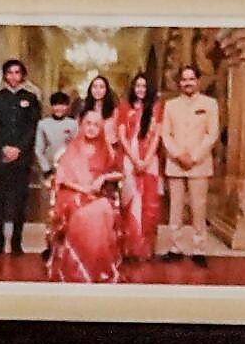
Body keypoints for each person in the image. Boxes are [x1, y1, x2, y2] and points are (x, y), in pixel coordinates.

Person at [45, 89, 128, 285]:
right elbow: (62, 178)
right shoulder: (72, 148)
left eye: (96, 125)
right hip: (73, 194)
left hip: (98, 194)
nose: (91, 128)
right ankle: (76, 267)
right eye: (88, 124)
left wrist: (103, 178)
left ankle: (99, 267)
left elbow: (120, 172)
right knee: (85, 214)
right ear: (82, 125)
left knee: (104, 209)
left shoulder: (107, 150)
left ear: (101, 128)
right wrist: (83, 190)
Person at [0, 58, 41, 267]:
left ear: (22, 75)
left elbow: (33, 127)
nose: (14, 76)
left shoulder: (30, 98)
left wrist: (19, 149)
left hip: (22, 158)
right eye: (10, 72)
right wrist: (3, 147)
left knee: (20, 201)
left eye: (17, 72)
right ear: (5, 75)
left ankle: (16, 242)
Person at [154, 64, 222, 259]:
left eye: (191, 79)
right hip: (175, 162)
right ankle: (174, 248)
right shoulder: (171, 105)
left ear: (198, 81)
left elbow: (212, 133)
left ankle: (199, 248)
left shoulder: (210, 104)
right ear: (179, 83)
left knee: (198, 207)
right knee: (175, 207)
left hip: (199, 163)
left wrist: (194, 156)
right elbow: (166, 133)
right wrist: (178, 155)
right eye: (184, 79)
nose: (188, 83)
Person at [117, 70, 166, 264]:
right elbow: (122, 136)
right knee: (130, 201)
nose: (140, 89)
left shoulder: (156, 108)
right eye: (137, 86)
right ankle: (129, 246)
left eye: (144, 86)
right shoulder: (124, 107)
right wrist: (135, 159)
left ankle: (145, 248)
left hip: (150, 160)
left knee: (149, 201)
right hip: (130, 159)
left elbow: (157, 136)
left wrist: (146, 160)